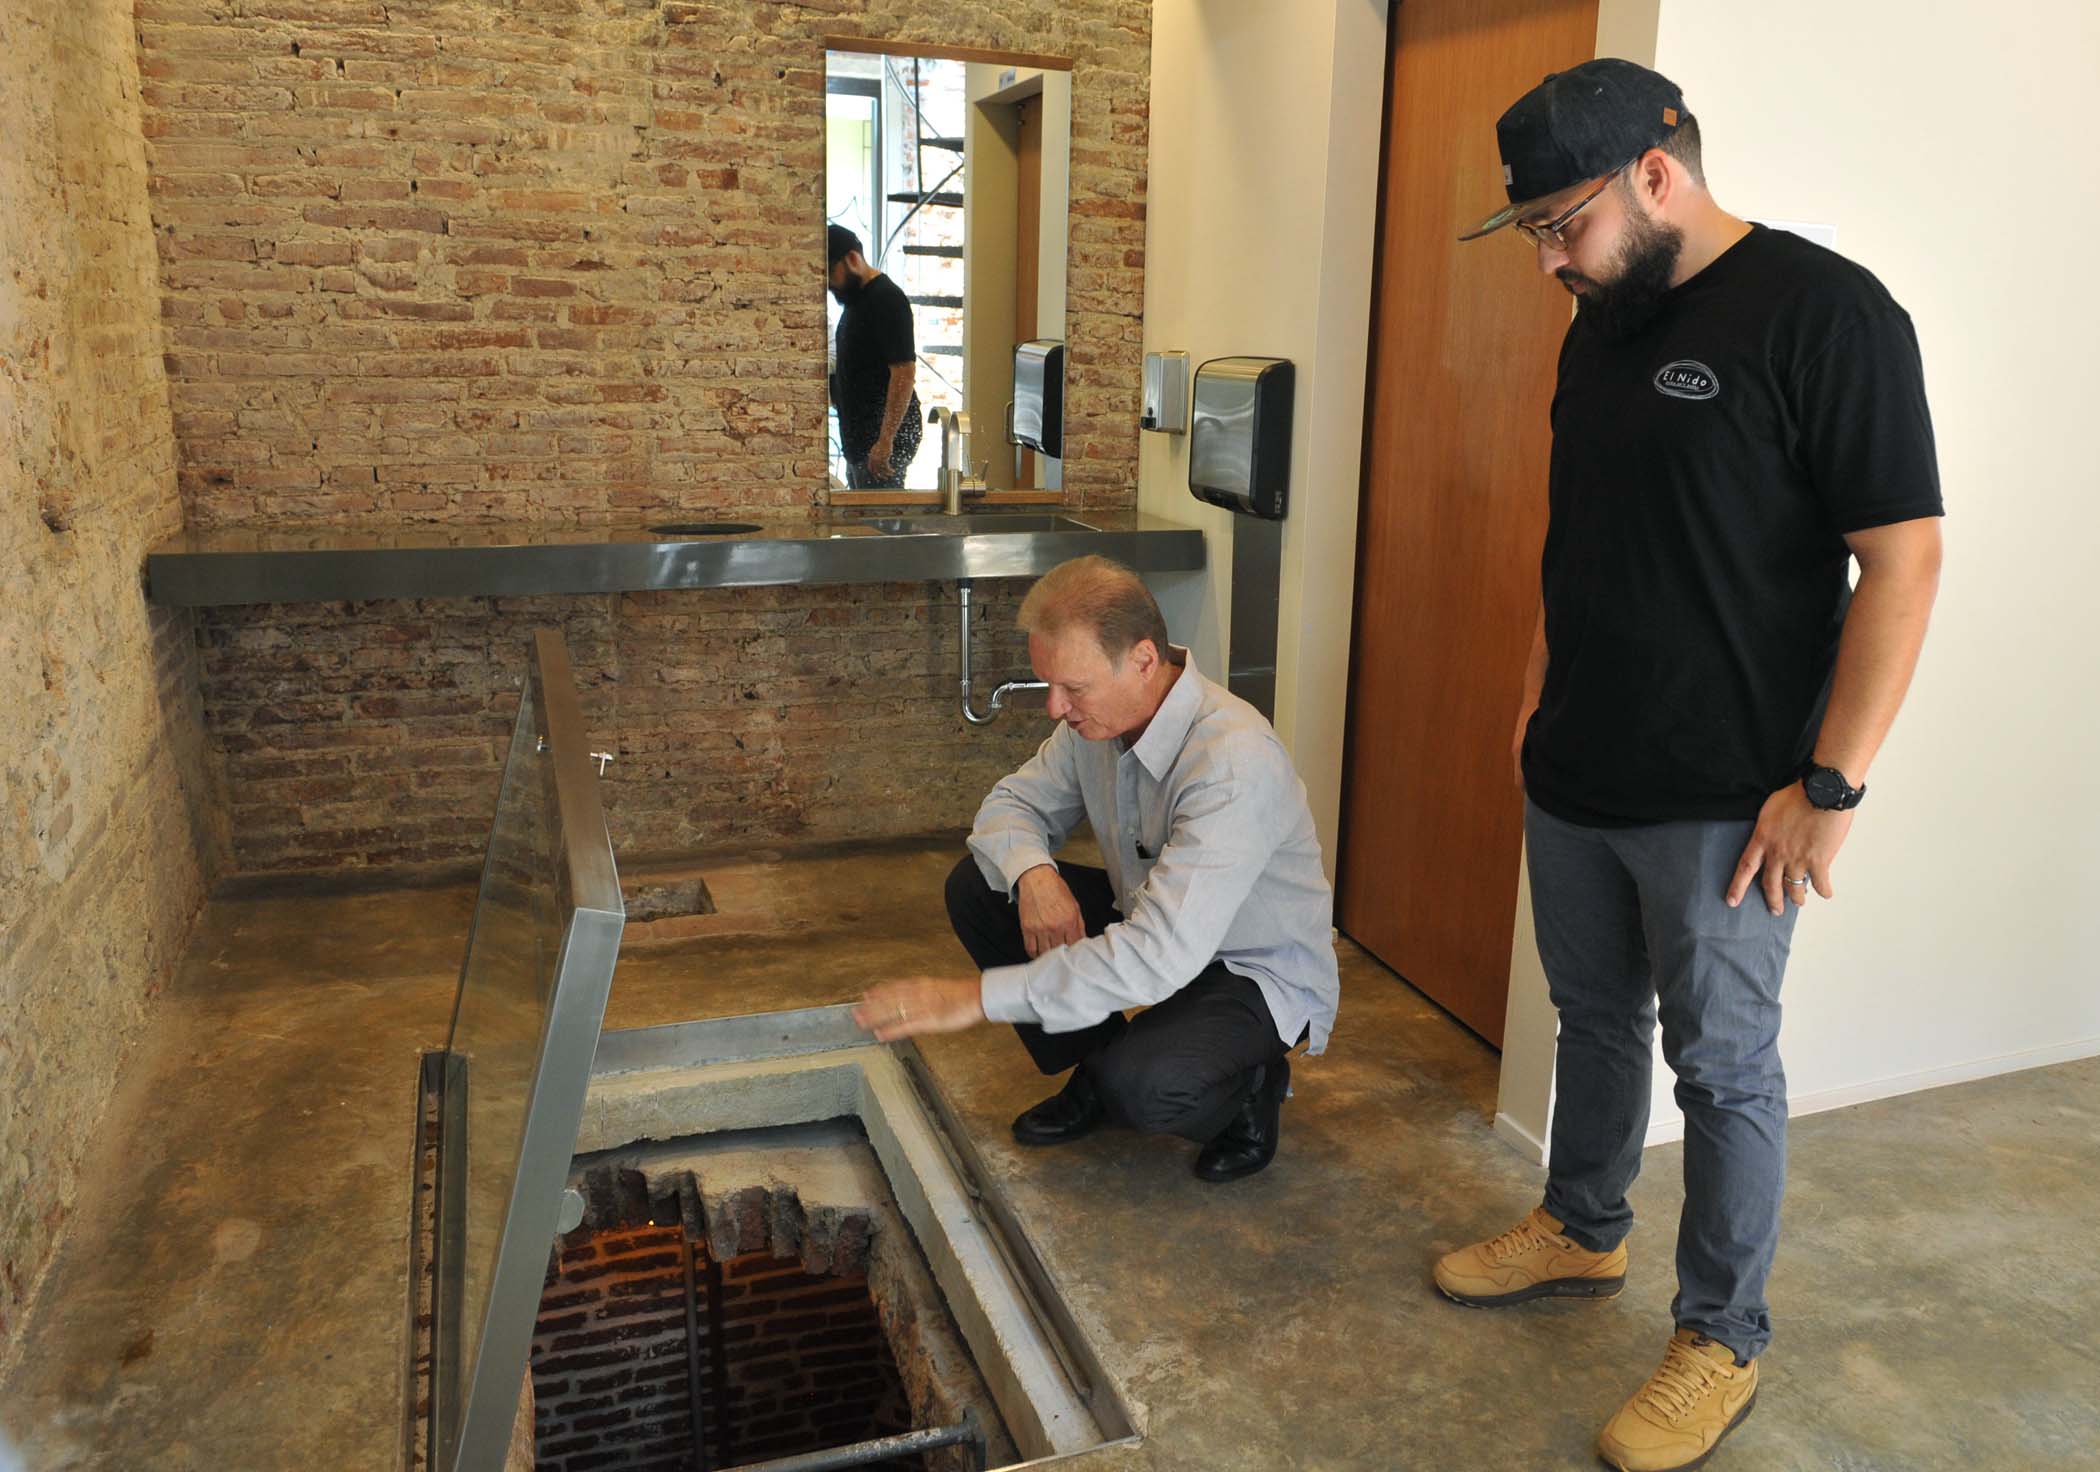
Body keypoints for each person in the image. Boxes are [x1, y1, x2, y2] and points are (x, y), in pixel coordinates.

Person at [1435, 59, 1944, 1471]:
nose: (1550, 260)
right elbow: (1584, 530)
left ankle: (1722, 1335)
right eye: (1532, 231)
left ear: (1657, 176)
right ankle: (1582, 1226)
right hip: (1580, 765)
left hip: (1729, 795)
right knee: (1593, 1019)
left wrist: (1829, 786)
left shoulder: (1828, 313)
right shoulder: (1600, 323)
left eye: (1562, 224)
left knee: (1722, 1068)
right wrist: (1535, 694)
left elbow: (1904, 560)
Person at [853, 556, 1340, 1182]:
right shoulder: (1098, 723)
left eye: (1073, 689)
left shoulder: (1232, 763)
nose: (1055, 707)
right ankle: (1098, 1066)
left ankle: (1251, 1089)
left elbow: (1159, 954)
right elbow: (1008, 806)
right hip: (1152, 919)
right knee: (982, 887)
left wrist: (973, 999)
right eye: (1049, 685)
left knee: (1144, 1089)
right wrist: (1034, 875)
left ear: (1143, 660)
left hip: (1249, 968)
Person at [827, 223, 922, 489]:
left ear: (852, 259)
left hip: (881, 444)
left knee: (880, 515)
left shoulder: (887, 299)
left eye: (831, 273)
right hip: (863, 443)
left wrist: (885, 441)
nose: (829, 284)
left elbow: (904, 373)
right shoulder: (857, 302)